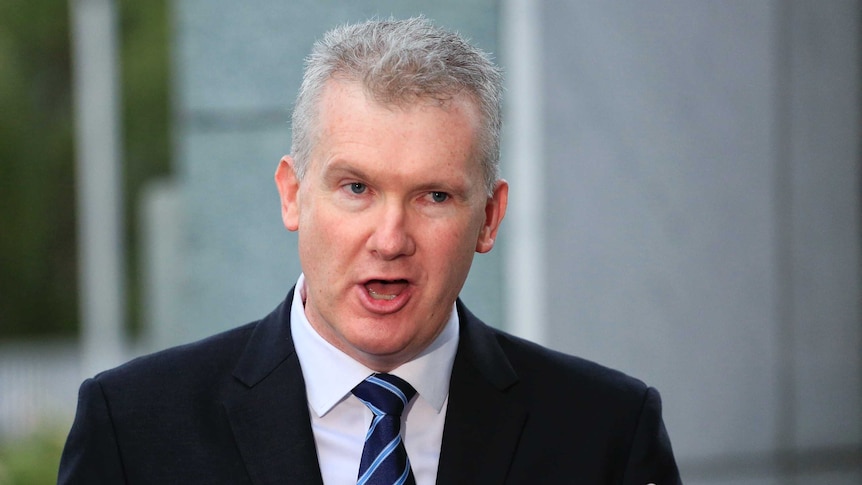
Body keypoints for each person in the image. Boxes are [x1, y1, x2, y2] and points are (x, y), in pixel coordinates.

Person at [58, 17, 682, 484]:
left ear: (489, 218)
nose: (390, 240)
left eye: (434, 195)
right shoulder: (133, 429)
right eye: (356, 188)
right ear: (293, 195)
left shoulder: (607, 435)